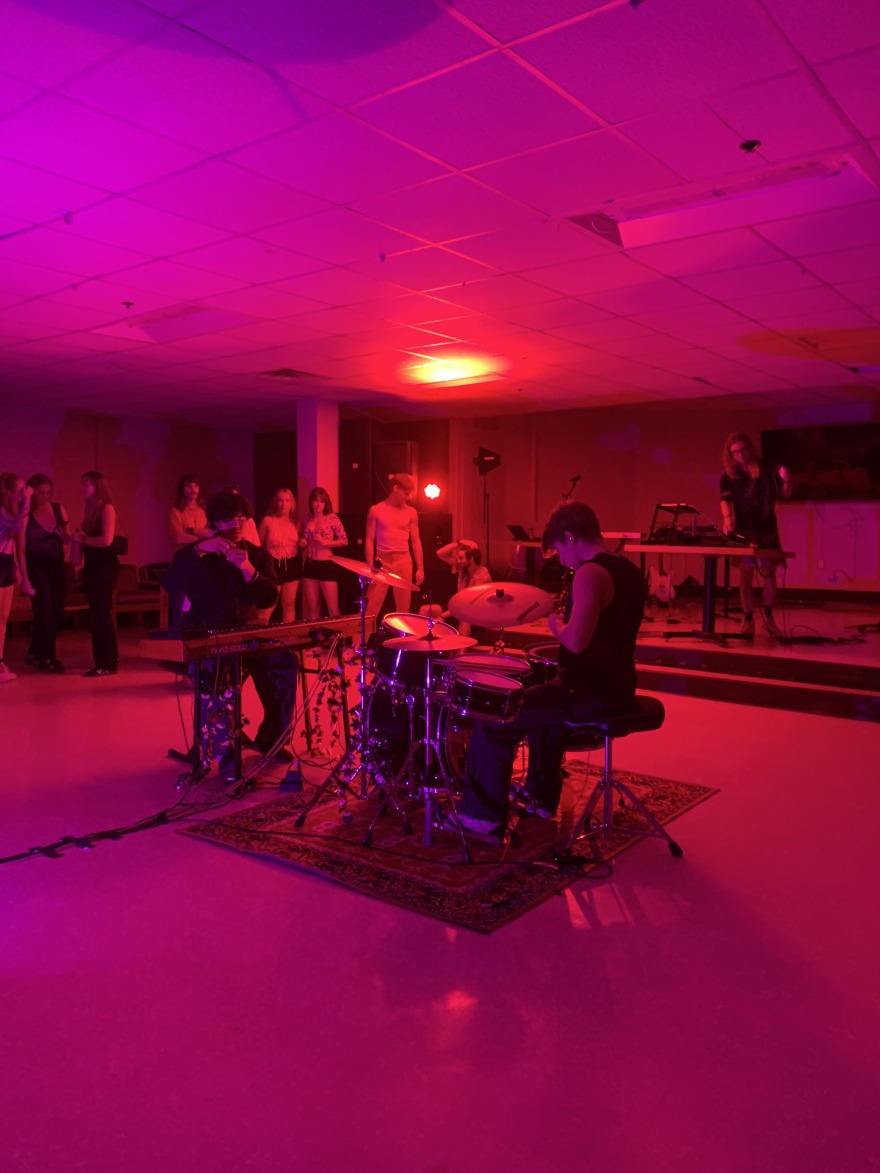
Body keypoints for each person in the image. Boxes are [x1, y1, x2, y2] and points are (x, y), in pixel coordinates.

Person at [449, 501, 645, 838]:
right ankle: (540, 798)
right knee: (542, 703)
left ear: (570, 537)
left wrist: (555, 623)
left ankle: (480, 818)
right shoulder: (628, 570)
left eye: (559, 550)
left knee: (496, 717)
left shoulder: (589, 573)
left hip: (587, 693)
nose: (563, 561)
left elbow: (576, 642)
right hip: (619, 685)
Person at [163, 488, 297, 762]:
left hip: (248, 629)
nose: (236, 524)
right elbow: (171, 583)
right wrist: (199, 549)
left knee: (283, 661)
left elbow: (269, 598)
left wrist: (248, 570)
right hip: (208, 630)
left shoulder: (257, 555)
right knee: (220, 673)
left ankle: (271, 740)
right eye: (228, 519)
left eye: (241, 517)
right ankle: (223, 750)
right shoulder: (198, 554)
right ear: (215, 522)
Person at [720, 432, 792, 638]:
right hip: (743, 533)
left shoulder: (765, 467)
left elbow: (785, 491)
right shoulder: (728, 477)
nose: (740, 455)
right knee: (745, 575)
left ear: (749, 448)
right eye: (735, 452)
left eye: (743, 450)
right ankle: (748, 619)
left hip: (767, 531)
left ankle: (768, 617)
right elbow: (725, 500)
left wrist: (786, 479)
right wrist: (727, 518)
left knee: (768, 574)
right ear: (730, 455)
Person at [71, 471, 120, 677]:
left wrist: (82, 539)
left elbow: (107, 540)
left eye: (87, 484)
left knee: (100, 612)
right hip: (93, 565)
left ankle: (107, 662)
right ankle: (105, 659)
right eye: (83, 484)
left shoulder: (106, 508)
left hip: (105, 566)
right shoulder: (89, 508)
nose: (83, 488)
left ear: (97, 486)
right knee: (96, 613)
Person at [23, 474, 69, 673]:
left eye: (48, 492)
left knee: (57, 610)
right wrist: (24, 576)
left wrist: (64, 535)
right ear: (32, 492)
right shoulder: (25, 511)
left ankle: (35, 652)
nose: (45, 496)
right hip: (35, 563)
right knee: (44, 609)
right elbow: (20, 545)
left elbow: (67, 540)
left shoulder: (58, 509)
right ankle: (47, 656)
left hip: (56, 563)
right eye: (41, 492)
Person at [364, 473, 424, 615]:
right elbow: (369, 539)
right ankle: (365, 630)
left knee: (404, 609)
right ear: (396, 488)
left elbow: (416, 541)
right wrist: (369, 567)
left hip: (403, 560)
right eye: (406, 493)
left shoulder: (411, 512)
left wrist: (420, 568)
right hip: (382, 561)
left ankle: (402, 631)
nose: (408, 497)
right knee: (370, 607)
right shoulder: (376, 510)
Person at [0, 473, 35, 682]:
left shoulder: (14, 511)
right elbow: (18, 527)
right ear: (8, 491)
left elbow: (17, 542)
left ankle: (0, 661)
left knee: (3, 617)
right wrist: (27, 501)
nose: (24, 493)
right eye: (20, 490)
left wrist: (17, 567)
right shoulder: (2, 511)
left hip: (5, 561)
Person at [167, 474, 212, 627]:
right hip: (183, 563)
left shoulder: (204, 512)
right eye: (188, 486)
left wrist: (192, 532)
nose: (193, 489)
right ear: (182, 489)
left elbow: (211, 534)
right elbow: (179, 537)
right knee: (179, 610)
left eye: (196, 485)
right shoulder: (176, 511)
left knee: (201, 608)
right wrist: (202, 539)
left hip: (202, 563)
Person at [302, 487, 347, 621]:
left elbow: (344, 541)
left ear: (325, 503)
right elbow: (306, 539)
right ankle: (315, 633)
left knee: (333, 609)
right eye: (315, 501)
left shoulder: (331, 518)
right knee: (313, 608)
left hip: (326, 564)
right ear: (311, 502)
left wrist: (325, 542)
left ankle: (337, 633)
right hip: (310, 563)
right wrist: (303, 541)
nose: (318, 504)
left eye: (321, 501)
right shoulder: (308, 518)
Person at [431, 538, 492, 636]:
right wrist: (458, 543)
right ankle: (422, 644)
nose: (458, 561)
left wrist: (443, 616)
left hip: (477, 614)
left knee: (465, 617)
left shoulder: (483, 575)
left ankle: (462, 646)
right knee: (427, 609)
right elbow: (440, 553)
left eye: (461, 558)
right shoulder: (463, 567)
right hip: (459, 609)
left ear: (471, 559)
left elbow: (468, 605)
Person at [258, 488, 302, 624]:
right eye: (280, 500)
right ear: (276, 502)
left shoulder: (297, 523)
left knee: (289, 605)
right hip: (272, 564)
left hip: (291, 564)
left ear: (292, 503)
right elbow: (258, 546)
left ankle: (288, 635)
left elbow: (301, 545)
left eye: (287, 500)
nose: (284, 504)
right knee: (267, 606)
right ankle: (260, 634)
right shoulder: (267, 521)